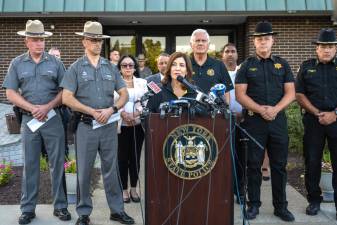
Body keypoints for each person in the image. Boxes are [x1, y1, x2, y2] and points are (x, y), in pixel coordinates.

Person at [60, 21, 134, 225]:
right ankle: (84, 213)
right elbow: (67, 98)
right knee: (84, 170)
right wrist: (91, 111)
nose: (97, 43)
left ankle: (117, 210)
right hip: (86, 126)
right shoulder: (75, 68)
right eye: (93, 40)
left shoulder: (110, 67)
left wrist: (112, 109)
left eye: (99, 40)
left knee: (112, 169)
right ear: (84, 41)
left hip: (109, 126)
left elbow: (124, 94)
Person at [2, 20, 71, 225]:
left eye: (41, 39)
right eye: (35, 39)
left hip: (53, 119)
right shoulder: (16, 63)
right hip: (29, 120)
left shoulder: (56, 63)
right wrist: (33, 108)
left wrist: (47, 107)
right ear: (27, 42)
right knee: (30, 164)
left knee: (57, 163)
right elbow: (10, 93)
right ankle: (28, 209)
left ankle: (60, 207)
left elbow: (65, 91)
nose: (39, 43)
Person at [235, 21, 295, 221]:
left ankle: (281, 207)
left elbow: (291, 92)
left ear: (272, 41)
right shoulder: (246, 66)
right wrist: (261, 110)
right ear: (254, 42)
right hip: (254, 122)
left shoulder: (283, 64)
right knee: (253, 165)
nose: (263, 42)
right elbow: (240, 95)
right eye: (259, 39)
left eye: (266, 39)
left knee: (279, 165)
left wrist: (275, 110)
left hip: (277, 121)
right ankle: (253, 205)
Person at [296, 28, 337, 217]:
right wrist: (317, 112)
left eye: (330, 46)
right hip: (313, 121)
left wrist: (334, 114)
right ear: (317, 49)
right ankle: (314, 200)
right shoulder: (306, 67)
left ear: (335, 49)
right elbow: (299, 94)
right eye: (323, 47)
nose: (326, 50)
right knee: (312, 162)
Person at [116, 55, 148, 203]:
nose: (128, 68)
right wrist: (123, 114)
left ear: (135, 67)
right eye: (124, 65)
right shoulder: (114, 83)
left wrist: (135, 114)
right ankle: (123, 190)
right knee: (122, 159)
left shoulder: (142, 83)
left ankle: (134, 188)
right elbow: (111, 100)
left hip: (137, 125)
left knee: (135, 158)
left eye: (130, 65)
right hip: (120, 127)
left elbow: (147, 101)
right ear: (120, 68)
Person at [222, 43, 245, 204]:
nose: (230, 54)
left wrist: (243, 113)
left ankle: (240, 191)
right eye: (227, 51)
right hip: (223, 121)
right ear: (222, 55)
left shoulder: (243, 72)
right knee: (224, 157)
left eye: (233, 51)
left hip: (243, 120)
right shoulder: (218, 72)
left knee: (241, 158)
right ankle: (224, 190)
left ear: (237, 55)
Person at [190, 29, 233, 103]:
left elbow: (226, 92)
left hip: (214, 113)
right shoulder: (185, 65)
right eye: (197, 40)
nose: (200, 43)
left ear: (208, 44)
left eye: (204, 41)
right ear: (191, 44)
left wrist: (226, 111)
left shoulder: (219, 65)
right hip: (189, 112)